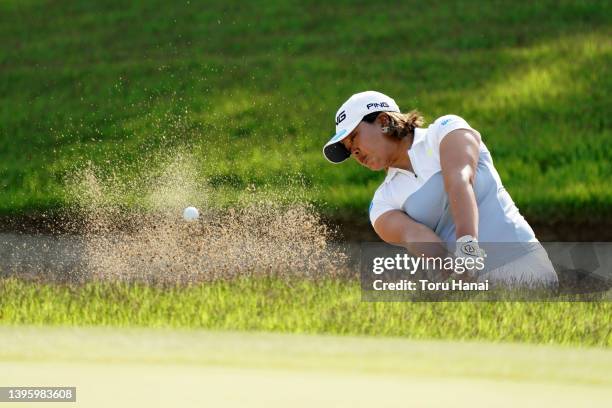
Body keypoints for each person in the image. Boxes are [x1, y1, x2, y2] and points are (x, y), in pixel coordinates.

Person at [322, 91, 558, 287]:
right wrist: (452, 272)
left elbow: (459, 180)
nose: (353, 151)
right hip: (474, 291)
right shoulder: (383, 202)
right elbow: (416, 237)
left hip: (527, 267)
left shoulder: (446, 130)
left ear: (383, 122)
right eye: (347, 148)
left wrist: (467, 246)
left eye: (354, 138)